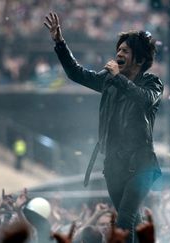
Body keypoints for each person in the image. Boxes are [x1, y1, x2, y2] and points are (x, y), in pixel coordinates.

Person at [44, 12, 163, 243]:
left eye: (125, 51)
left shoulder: (152, 83)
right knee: (131, 220)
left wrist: (119, 78)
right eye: (118, 49)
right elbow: (76, 73)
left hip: (141, 164)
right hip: (114, 165)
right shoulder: (109, 80)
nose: (118, 53)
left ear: (139, 59)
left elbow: (144, 100)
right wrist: (60, 43)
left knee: (124, 221)